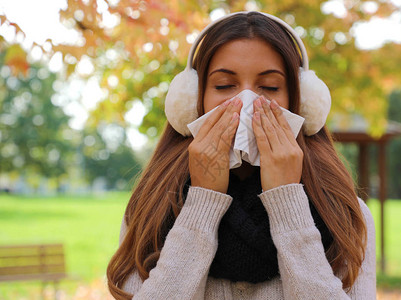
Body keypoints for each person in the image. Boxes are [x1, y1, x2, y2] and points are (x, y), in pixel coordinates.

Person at [107, 11, 376, 300]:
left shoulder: (344, 212)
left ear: (300, 102)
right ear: (193, 102)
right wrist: (202, 200)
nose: (245, 102)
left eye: (270, 87)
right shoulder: (151, 207)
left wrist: (287, 200)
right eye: (224, 85)